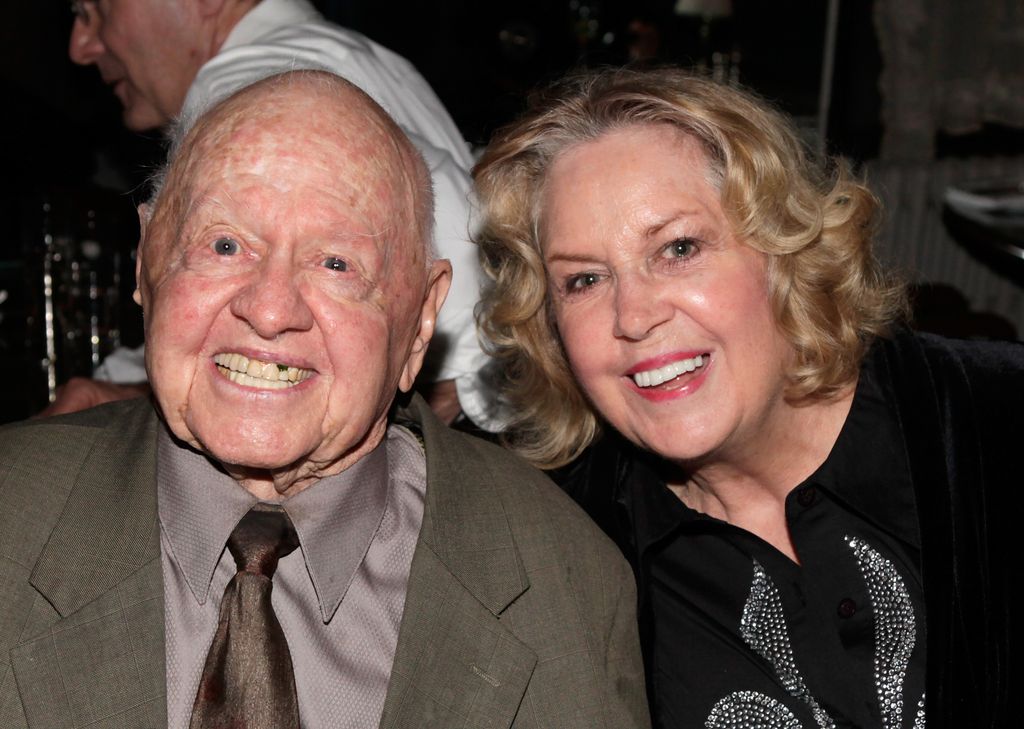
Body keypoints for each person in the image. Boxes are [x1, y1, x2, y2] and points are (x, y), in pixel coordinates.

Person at [0, 71, 649, 729]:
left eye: (337, 263)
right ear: (146, 260)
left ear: (421, 319)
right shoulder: (12, 516)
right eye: (225, 244)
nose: (270, 308)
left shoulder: (567, 582)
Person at [474, 67, 1022, 728]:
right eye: (585, 280)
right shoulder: (561, 550)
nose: (634, 316)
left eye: (678, 248)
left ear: (782, 250)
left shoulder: (994, 421)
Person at [57, 0, 501, 428]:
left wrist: (434, 409)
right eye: (226, 248)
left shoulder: (252, 85)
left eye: (95, 8)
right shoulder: (365, 56)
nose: (80, 46)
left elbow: (469, 291)